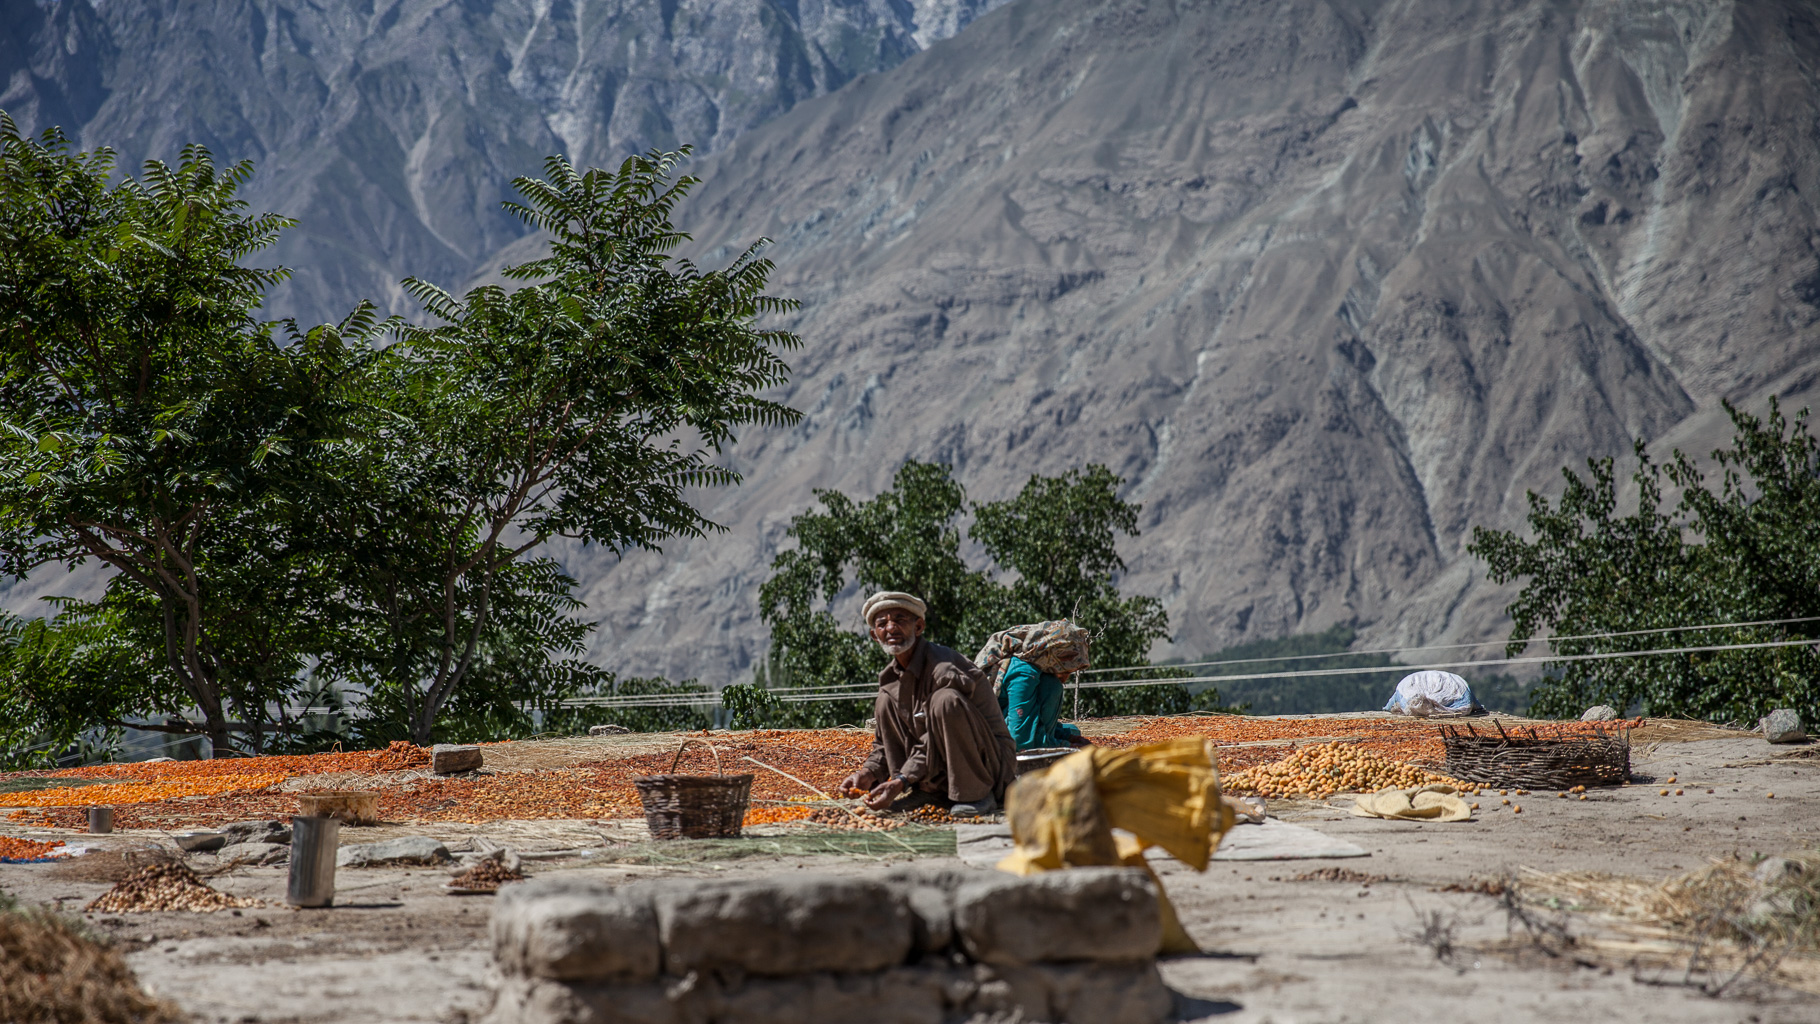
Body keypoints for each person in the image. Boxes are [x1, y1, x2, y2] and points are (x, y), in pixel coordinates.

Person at [839, 591, 1018, 817]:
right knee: (885, 701)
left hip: (989, 766)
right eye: (882, 624)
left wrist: (902, 780)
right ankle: (929, 790)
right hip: (933, 771)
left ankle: (976, 794)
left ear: (919, 627)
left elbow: (934, 739)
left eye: (900, 620)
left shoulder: (943, 668)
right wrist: (868, 773)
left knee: (945, 701)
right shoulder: (890, 681)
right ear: (875, 636)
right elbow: (885, 746)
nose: (891, 628)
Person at [976, 621, 1094, 751]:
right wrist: (1066, 747)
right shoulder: (1023, 674)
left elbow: (1033, 720)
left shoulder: (1034, 668)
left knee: (1073, 730)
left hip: (1010, 732)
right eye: (1067, 670)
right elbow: (1019, 739)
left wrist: (1069, 737)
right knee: (1052, 686)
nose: (1066, 678)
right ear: (1055, 657)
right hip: (997, 744)